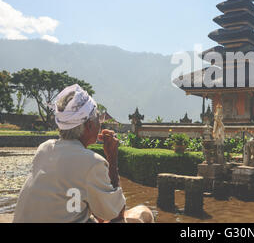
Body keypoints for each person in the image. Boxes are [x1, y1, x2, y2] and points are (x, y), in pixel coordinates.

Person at [13, 84, 154, 223]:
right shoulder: (92, 163)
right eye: (98, 118)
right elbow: (115, 214)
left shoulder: (44, 148)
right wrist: (112, 158)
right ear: (90, 126)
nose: (101, 124)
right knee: (144, 212)